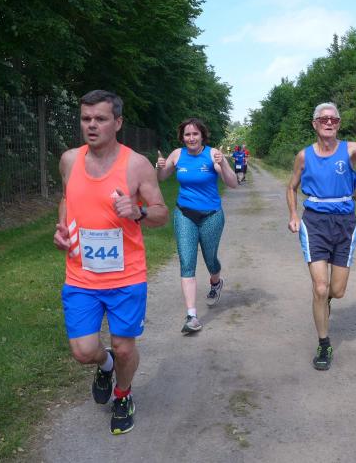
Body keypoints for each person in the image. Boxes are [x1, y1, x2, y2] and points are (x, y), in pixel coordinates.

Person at [53, 90, 168, 435]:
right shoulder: (69, 160)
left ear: (117, 123)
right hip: (81, 274)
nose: (92, 125)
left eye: (100, 119)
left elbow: (161, 213)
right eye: (86, 119)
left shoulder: (136, 165)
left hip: (126, 276)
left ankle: (123, 394)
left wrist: (138, 211)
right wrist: (62, 228)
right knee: (83, 350)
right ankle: (105, 366)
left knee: (124, 347)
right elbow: (66, 199)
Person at [286, 99, 356, 370]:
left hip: (345, 223)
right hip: (314, 223)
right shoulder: (304, 156)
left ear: (339, 124)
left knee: (337, 290)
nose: (329, 123)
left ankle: (325, 301)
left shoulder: (350, 150)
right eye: (323, 119)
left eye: (333, 119)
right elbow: (291, 187)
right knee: (320, 287)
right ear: (314, 124)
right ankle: (324, 344)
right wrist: (293, 214)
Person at [156, 118, 238, 333]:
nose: (191, 138)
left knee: (210, 259)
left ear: (202, 136)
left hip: (211, 215)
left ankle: (216, 282)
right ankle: (192, 316)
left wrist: (223, 164)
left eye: (195, 134)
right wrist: (160, 166)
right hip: (184, 214)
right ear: (182, 137)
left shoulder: (213, 154)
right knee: (187, 261)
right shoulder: (177, 155)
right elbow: (162, 177)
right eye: (187, 134)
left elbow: (233, 183)